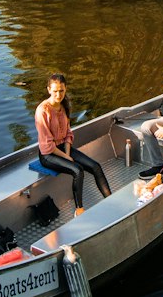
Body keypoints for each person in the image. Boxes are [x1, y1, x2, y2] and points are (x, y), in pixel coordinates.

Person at [35, 73, 112, 216]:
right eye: (55, 91)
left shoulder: (64, 105)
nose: (59, 94)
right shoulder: (42, 111)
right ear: (49, 90)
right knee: (78, 170)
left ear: (66, 89)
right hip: (48, 154)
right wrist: (65, 157)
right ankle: (79, 210)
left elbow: (68, 134)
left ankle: (110, 200)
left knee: (95, 166)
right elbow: (47, 145)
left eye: (62, 90)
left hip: (64, 148)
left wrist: (68, 153)